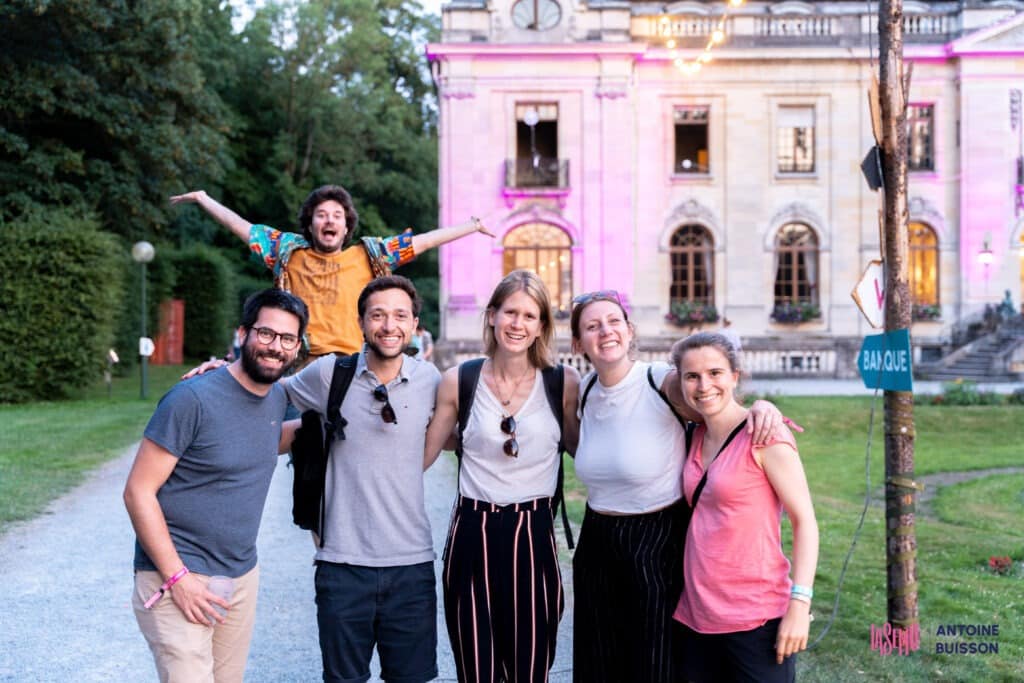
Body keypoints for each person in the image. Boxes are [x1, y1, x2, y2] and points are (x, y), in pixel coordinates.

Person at [568, 291, 782, 683]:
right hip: (597, 540)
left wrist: (761, 408)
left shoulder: (658, 382)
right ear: (577, 342)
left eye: (614, 321)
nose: (606, 331)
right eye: (592, 326)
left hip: (656, 539)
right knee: (598, 659)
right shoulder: (584, 390)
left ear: (630, 331)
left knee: (652, 661)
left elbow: (713, 401)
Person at [124, 289, 309, 683]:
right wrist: (178, 579)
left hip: (240, 576)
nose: (275, 347)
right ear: (242, 333)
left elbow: (266, 440)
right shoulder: (192, 398)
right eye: (266, 334)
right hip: (175, 576)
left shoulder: (278, 399)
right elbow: (138, 491)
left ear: (297, 348)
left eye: (287, 339)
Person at [424, 270, 581, 683]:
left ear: (542, 325)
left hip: (534, 533)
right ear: (492, 315)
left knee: (531, 669)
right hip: (472, 532)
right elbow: (419, 455)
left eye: (530, 316)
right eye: (510, 312)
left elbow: (592, 450)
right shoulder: (460, 380)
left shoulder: (562, 383)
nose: (518, 324)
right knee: (477, 669)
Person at [283, 275, 441, 683]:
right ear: (361, 322)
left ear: (414, 324)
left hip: (411, 565)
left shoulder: (433, 383)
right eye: (378, 315)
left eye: (400, 315)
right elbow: (265, 391)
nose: (389, 325)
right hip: (341, 564)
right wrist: (218, 374)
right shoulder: (328, 374)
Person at [170, 186, 492, 359]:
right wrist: (203, 199)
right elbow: (244, 228)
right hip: (302, 369)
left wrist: (471, 226)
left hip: (354, 367)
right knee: (308, 465)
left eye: (337, 215)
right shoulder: (287, 252)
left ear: (346, 225)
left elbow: (418, 243)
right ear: (310, 224)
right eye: (321, 214)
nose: (329, 220)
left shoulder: (368, 255)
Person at [671, 332, 818, 683]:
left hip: (756, 619)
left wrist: (800, 604)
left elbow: (805, 522)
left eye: (715, 373)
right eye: (692, 376)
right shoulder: (694, 435)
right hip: (696, 617)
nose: (704, 384)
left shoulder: (767, 436)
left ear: (735, 376)